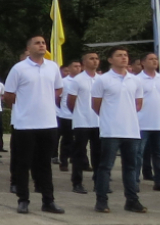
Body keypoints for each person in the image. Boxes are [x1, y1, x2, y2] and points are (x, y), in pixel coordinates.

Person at [2, 35, 66, 214]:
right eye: (37, 43)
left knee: (44, 164)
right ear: (28, 48)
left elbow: (58, 89)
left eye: (43, 43)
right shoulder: (19, 68)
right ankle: (23, 199)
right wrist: (24, 107)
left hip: (48, 122)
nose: (42, 45)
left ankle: (48, 200)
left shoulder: (52, 67)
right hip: (25, 124)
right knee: (23, 163)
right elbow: (9, 95)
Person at [90, 47, 146, 214]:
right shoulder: (103, 80)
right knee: (105, 167)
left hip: (131, 130)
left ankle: (132, 200)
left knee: (131, 167)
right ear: (110, 59)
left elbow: (138, 103)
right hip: (111, 130)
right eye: (119, 55)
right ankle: (101, 200)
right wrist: (110, 116)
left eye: (125, 55)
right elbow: (96, 105)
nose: (123, 58)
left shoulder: (135, 80)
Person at [65, 51, 101, 195]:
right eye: (91, 59)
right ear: (84, 62)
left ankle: (99, 181)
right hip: (81, 121)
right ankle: (77, 182)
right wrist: (78, 113)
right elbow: (70, 101)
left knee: (98, 154)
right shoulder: (77, 80)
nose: (95, 61)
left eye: (97, 59)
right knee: (79, 154)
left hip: (98, 121)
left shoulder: (102, 79)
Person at [135, 52, 160, 190]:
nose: (154, 61)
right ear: (143, 62)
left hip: (159, 122)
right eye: (151, 59)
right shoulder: (137, 80)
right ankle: (134, 181)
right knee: (138, 153)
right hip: (141, 122)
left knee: (158, 154)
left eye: (156, 59)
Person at [56, 59, 79, 171]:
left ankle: (79, 161)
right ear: (69, 69)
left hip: (80, 116)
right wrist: (64, 109)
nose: (78, 68)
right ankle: (63, 162)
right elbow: (57, 98)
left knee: (79, 141)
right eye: (75, 66)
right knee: (67, 140)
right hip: (66, 115)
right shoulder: (64, 81)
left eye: (79, 66)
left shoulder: (81, 80)